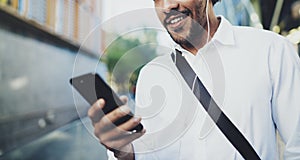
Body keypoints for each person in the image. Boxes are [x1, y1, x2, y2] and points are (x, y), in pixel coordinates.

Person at [88, 0, 300, 159]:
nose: (168, 5)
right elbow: (149, 153)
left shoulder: (270, 50)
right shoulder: (152, 74)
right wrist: (123, 149)